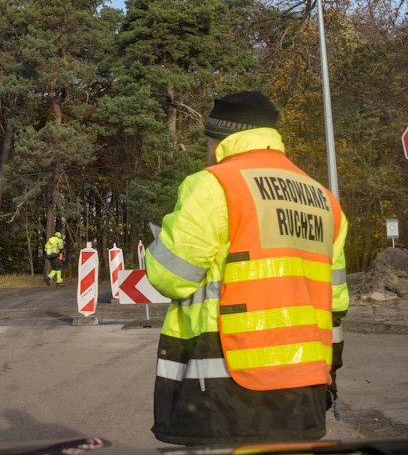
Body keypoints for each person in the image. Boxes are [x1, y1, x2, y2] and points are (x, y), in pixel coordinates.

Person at [145, 91, 349, 445]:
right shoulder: (323, 199)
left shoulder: (213, 186)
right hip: (306, 387)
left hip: (229, 388)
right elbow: (336, 303)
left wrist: (159, 243)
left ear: (219, 138)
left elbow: (172, 277)